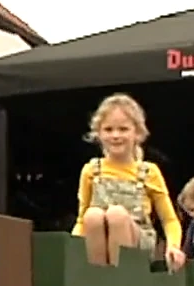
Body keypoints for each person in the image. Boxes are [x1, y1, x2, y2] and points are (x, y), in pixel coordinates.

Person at [70, 93, 185, 270]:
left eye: (123, 129)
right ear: (98, 134)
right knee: (92, 216)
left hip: (138, 240)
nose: (116, 135)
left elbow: (169, 220)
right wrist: (73, 247)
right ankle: (98, 276)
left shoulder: (149, 172)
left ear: (137, 133)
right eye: (108, 129)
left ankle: (122, 279)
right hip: (99, 238)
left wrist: (173, 246)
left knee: (116, 215)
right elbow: (81, 218)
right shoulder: (91, 171)